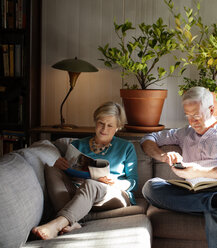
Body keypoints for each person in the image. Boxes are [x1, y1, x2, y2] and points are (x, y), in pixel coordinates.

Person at [141, 87, 217, 248]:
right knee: (150, 187)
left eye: (196, 116)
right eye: (188, 116)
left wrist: (200, 172)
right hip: (199, 191)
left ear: (211, 109)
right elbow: (148, 138)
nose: (192, 122)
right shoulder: (184, 133)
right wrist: (162, 156)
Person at [32, 101, 138, 240]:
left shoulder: (126, 147)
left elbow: (133, 181)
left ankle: (56, 225)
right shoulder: (77, 145)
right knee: (52, 169)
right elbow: (68, 172)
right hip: (79, 191)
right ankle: (73, 222)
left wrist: (116, 183)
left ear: (117, 127)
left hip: (113, 194)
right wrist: (61, 166)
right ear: (95, 122)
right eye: (101, 123)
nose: (104, 129)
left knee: (91, 184)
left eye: (110, 125)